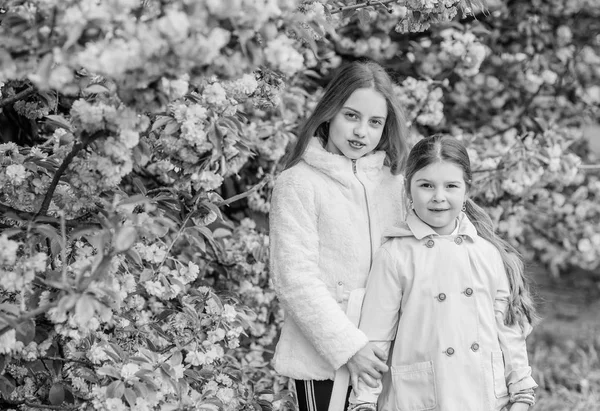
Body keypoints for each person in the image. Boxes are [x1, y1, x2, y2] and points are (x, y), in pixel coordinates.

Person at [348, 134, 538, 411]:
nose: (438, 197)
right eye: (426, 185)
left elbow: (507, 330)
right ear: (408, 189)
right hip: (419, 399)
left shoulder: (486, 253)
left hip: (484, 398)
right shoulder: (395, 254)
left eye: (451, 186)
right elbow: (376, 336)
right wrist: (364, 401)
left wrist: (521, 391)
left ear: (466, 190)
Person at [269, 59, 410, 411]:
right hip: (324, 362)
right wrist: (349, 347)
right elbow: (295, 280)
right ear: (330, 112)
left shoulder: (396, 185)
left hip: (388, 356)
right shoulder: (298, 183)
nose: (361, 132)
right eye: (351, 116)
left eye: (374, 122)